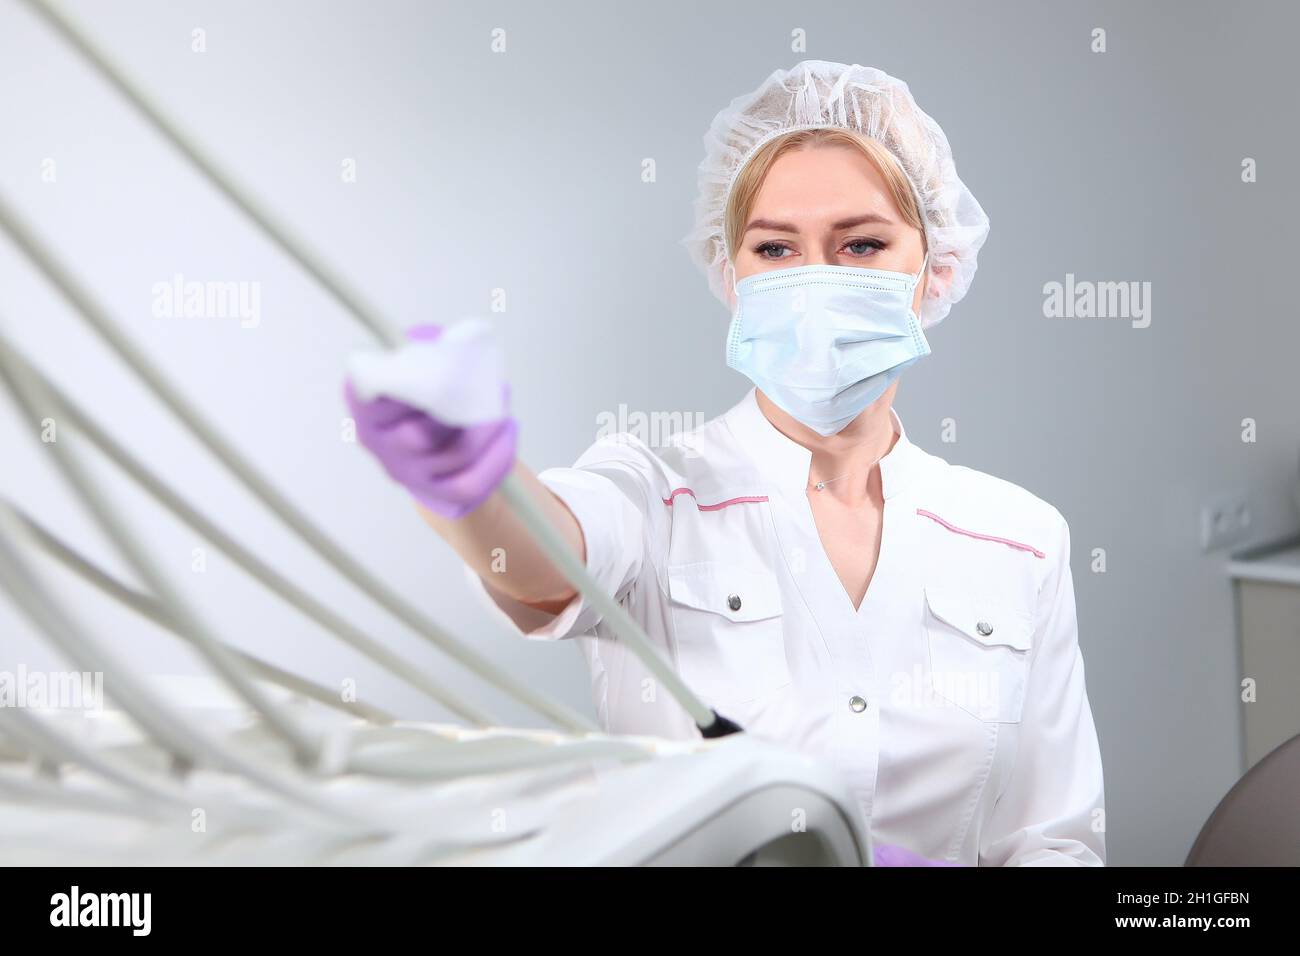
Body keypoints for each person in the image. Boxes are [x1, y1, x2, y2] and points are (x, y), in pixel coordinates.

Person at [344, 61, 1105, 867]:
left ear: (935, 269)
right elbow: (544, 560)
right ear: (731, 274)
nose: (814, 281)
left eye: (863, 244)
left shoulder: (1019, 538)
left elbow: (1055, 840)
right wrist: (466, 477)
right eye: (776, 248)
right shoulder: (655, 493)